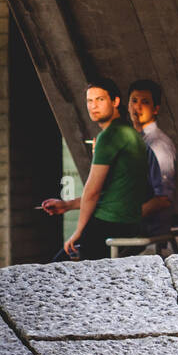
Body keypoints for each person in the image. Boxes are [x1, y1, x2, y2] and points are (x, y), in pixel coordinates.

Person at [42, 80, 152, 261]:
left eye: (100, 99)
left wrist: (78, 231)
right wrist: (67, 205)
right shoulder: (130, 133)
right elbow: (113, 192)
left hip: (110, 225)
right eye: (89, 101)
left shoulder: (109, 137)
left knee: (55, 270)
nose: (93, 106)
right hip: (129, 224)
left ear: (115, 102)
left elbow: (92, 191)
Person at [127, 78, 176, 236]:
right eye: (134, 101)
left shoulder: (158, 145)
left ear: (155, 109)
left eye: (145, 102)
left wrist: (126, 217)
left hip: (145, 226)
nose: (137, 107)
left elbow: (163, 199)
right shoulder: (131, 140)